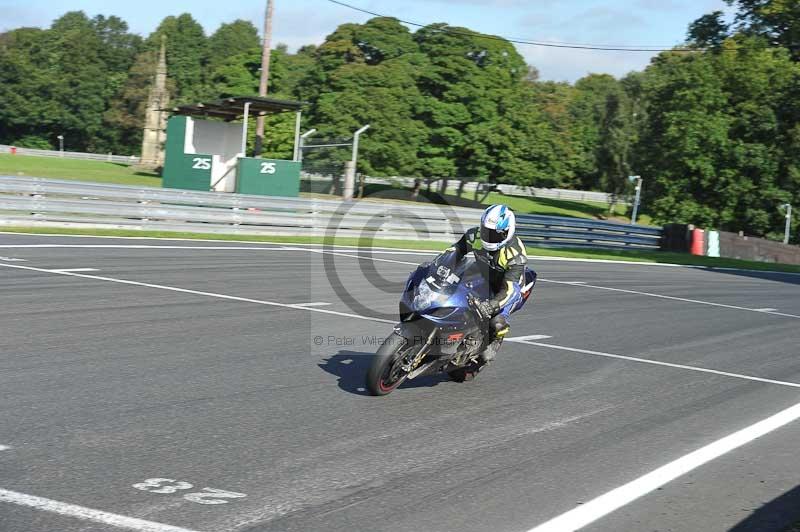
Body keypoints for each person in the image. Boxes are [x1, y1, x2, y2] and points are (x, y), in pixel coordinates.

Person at [446, 204, 536, 372]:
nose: (488, 237)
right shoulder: (475, 236)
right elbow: (455, 251)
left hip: (509, 288)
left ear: (506, 232)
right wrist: (440, 265)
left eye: (494, 234)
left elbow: (510, 290)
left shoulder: (515, 254)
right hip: (484, 274)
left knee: (496, 321)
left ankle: (492, 345)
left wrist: (491, 305)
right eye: (486, 231)